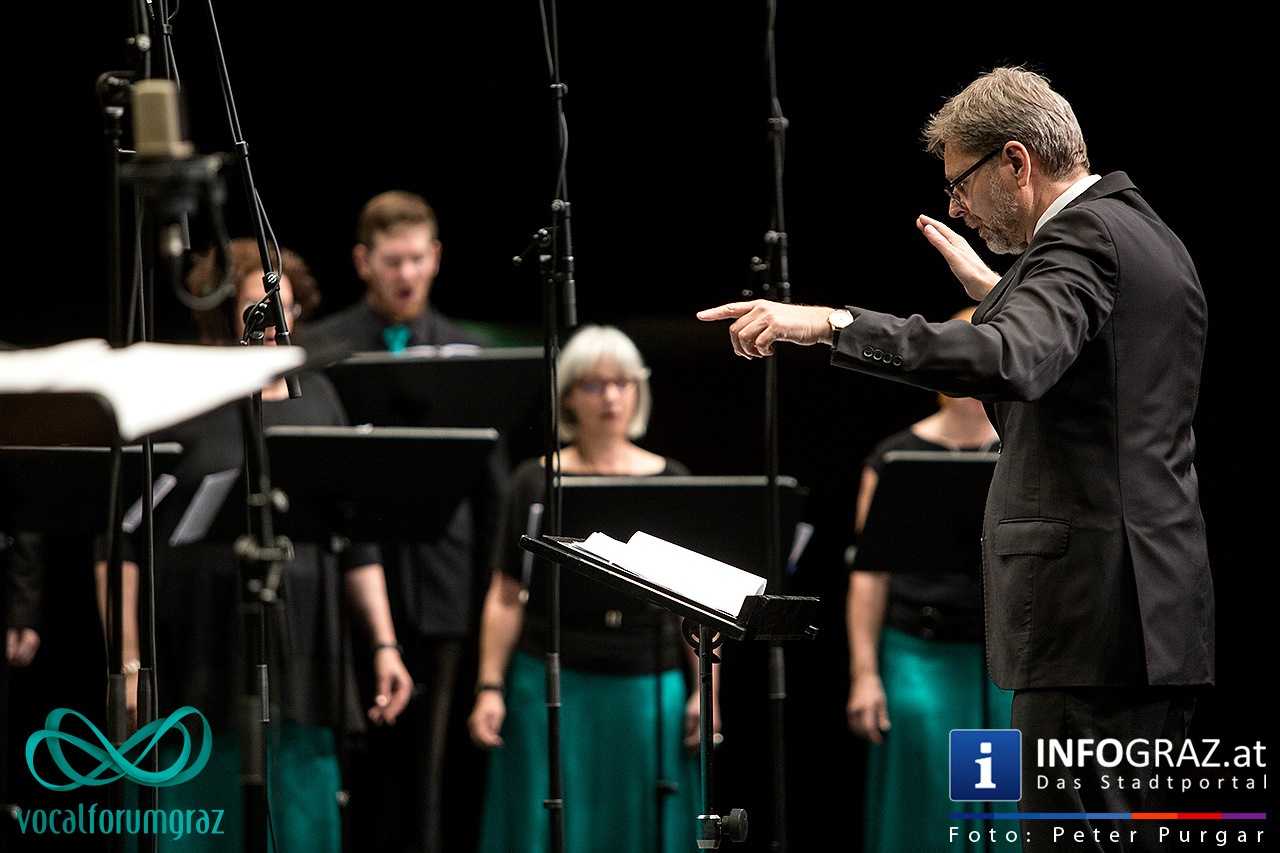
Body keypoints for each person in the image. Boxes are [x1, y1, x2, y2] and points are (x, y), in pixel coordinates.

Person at [699, 67, 1212, 852]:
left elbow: (1010, 360)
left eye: (961, 182)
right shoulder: (1149, 235)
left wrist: (832, 323)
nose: (956, 207)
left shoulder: (1079, 240)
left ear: (1016, 161)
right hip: (1150, 617)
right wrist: (1006, 287)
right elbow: (1081, 385)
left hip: (1089, 619)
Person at [94, 239, 413, 853]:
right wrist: (129, 663)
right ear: (221, 313)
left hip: (303, 641)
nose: (275, 322)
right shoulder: (175, 397)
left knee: (298, 803)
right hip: (197, 641)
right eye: (258, 308)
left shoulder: (316, 395)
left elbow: (356, 541)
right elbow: (119, 546)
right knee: (198, 798)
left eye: (285, 308)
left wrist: (384, 643)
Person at [303, 190, 506, 853]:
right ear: (364, 261)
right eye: (393, 260)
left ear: (436, 258)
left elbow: (493, 495)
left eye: (417, 258)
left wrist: (488, 597)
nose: (406, 274)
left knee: (431, 771)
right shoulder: (322, 349)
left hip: (444, 590)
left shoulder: (465, 353)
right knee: (352, 760)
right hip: (352, 584)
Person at [468, 325, 713, 853]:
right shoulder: (534, 481)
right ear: (569, 397)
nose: (610, 397)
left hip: (646, 686)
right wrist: (489, 686)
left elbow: (695, 609)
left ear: (638, 391)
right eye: (594, 385)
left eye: (622, 383)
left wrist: (707, 692)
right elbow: (506, 593)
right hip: (552, 682)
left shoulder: (672, 479)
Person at [846, 308, 1017, 852]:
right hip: (920, 651)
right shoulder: (896, 456)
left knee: (1003, 801)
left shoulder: (1022, 450)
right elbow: (869, 574)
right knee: (929, 806)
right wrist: (865, 674)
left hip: (1005, 663)